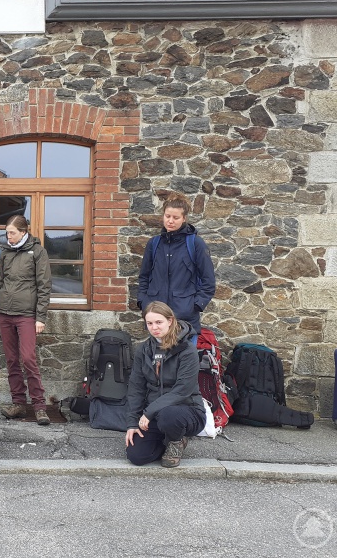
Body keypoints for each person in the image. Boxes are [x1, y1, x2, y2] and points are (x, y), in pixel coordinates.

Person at [125, 301, 206, 468]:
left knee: (168, 416)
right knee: (137, 456)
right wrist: (132, 423)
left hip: (185, 411)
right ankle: (165, 440)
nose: (154, 327)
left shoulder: (187, 350)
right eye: (150, 323)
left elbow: (182, 391)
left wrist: (148, 413)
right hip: (154, 414)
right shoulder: (144, 350)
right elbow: (136, 387)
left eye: (159, 322)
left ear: (170, 321)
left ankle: (177, 440)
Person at [0, 215, 52, 426]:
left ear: (24, 232)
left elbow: (44, 286)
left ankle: (40, 407)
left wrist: (40, 317)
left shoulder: (37, 251)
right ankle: (18, 404)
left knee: (28, 359)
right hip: (5, 314)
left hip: (26, 315)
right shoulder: (6, 253)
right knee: (11, 360)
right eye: (7, 232)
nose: (8, 236)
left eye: (12, 233)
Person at [137, 192, 215, 344]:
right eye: (167, 216)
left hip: (185, 319)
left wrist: (195, 306)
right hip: (157, 316)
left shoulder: (196, 244)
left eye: (176, 217)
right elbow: (144, 276)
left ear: (184, 218)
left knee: (185, 366)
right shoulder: (154, 244)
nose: (170, 221)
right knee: (158, 366)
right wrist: (144, 302)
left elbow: (208, 280)